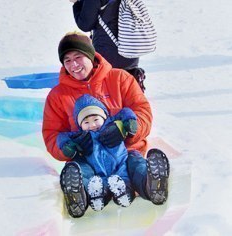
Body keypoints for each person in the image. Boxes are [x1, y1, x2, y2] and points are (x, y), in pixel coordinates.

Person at [42, 32, 170, 218]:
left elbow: (142, 112)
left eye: (78, 57)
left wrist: (126, 128)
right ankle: (81, 196)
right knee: (81, 170)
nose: (74, 65)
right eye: (67, 60)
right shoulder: (57, 96)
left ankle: (152, 185)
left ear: (91, 55)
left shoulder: (120, 79)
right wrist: (69, 148)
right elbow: (52, 134)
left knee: (136, 164)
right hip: (89, 159)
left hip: (125, 154)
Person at [57, 94, 138, 211]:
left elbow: (125, 111)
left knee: (124, 176)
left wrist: (129, 121)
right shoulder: (82, 136)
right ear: (80, 125)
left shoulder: (111, 123)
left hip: (119, 164)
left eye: (96, 119)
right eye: (86, 123)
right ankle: (98, 197)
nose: (92, 125)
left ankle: (125, 193)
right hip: (98, 173)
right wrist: (67, 145)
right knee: (97, 183)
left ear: (104, 116)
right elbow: (62, 136)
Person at [69, 0, 147, 92]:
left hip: (108, 53)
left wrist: (77, 3)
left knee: (109, 91)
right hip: (130, 47)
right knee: (129, 87)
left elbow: (85, 24)